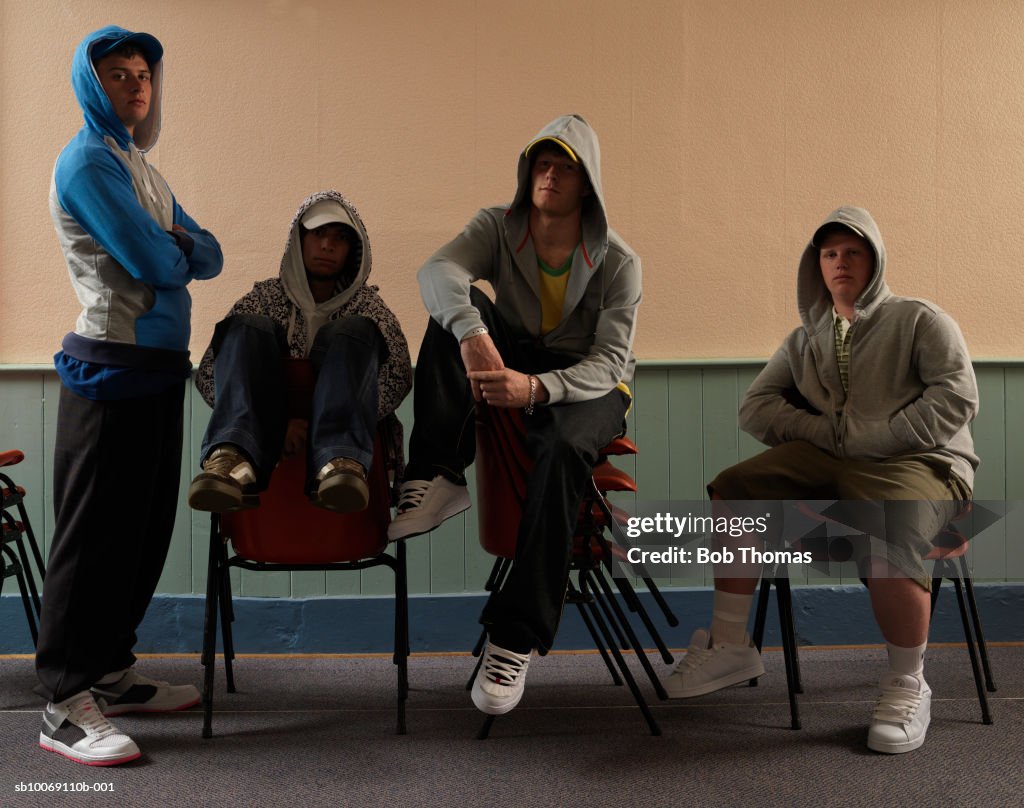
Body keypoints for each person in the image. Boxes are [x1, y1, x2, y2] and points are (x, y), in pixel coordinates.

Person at [663, 206, 979, 754]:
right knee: (736, 487)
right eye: (830, 254)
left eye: (853, 252)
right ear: (817, 265)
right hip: (835, 456)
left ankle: (908, 682)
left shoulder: (919, 319)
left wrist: (873, 436)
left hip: (923, 461)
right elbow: (755, 407)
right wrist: (825, 432)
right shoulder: (805, 338)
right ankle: (732, 645)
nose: (840, 263)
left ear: (874, 260)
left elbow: (957, 396)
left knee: (888, 519)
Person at [388, 114, 641, 716]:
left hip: (590, 386)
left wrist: (535, 389)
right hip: (515, 355)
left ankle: (515, 637)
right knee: (454, 308)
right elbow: (437, 272)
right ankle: (440, 474)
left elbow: (610, 362)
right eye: (542, 164)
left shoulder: (619, 261)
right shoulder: (497, 227)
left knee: (560, 448)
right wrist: (473, 332)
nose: (549, 175)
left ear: (588, 184)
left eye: (565, 167)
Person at [39, 26, 223, 765]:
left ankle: (110, 671)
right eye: (118, 74)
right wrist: (174, 244)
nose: (136, 86)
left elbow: (209, 252)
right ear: (93, 85)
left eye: (144, 74)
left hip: (157, 370)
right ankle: (62, 701)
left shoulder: (138, 166)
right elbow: (160, 256)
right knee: (92, 541)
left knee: (142, 532)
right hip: (108, 368)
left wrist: (178, 243)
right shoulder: (86, 160)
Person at [188, 190, 411, 514]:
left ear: (353, 250)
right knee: (247, 327)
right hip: (263, 464)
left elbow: (400, 375)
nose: (327, 245)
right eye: (318, 234)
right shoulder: (263, 299)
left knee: (355, 329)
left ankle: (338, 460)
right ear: (299, 240)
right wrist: (277, 423)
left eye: (339, 238)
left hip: (348, 480)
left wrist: (320, 421)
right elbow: (210, 372)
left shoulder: (370, 308)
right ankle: (230, 459)